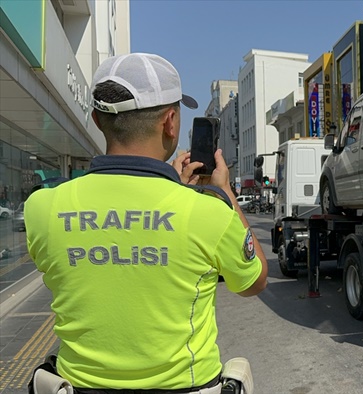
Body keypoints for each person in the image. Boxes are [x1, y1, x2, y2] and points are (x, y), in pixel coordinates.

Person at [25, 53, 267, 392]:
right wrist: (223, 192)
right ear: (170, 122)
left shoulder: (41, 208)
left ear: (96, 119)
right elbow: (253, 281)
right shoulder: (208, 213)